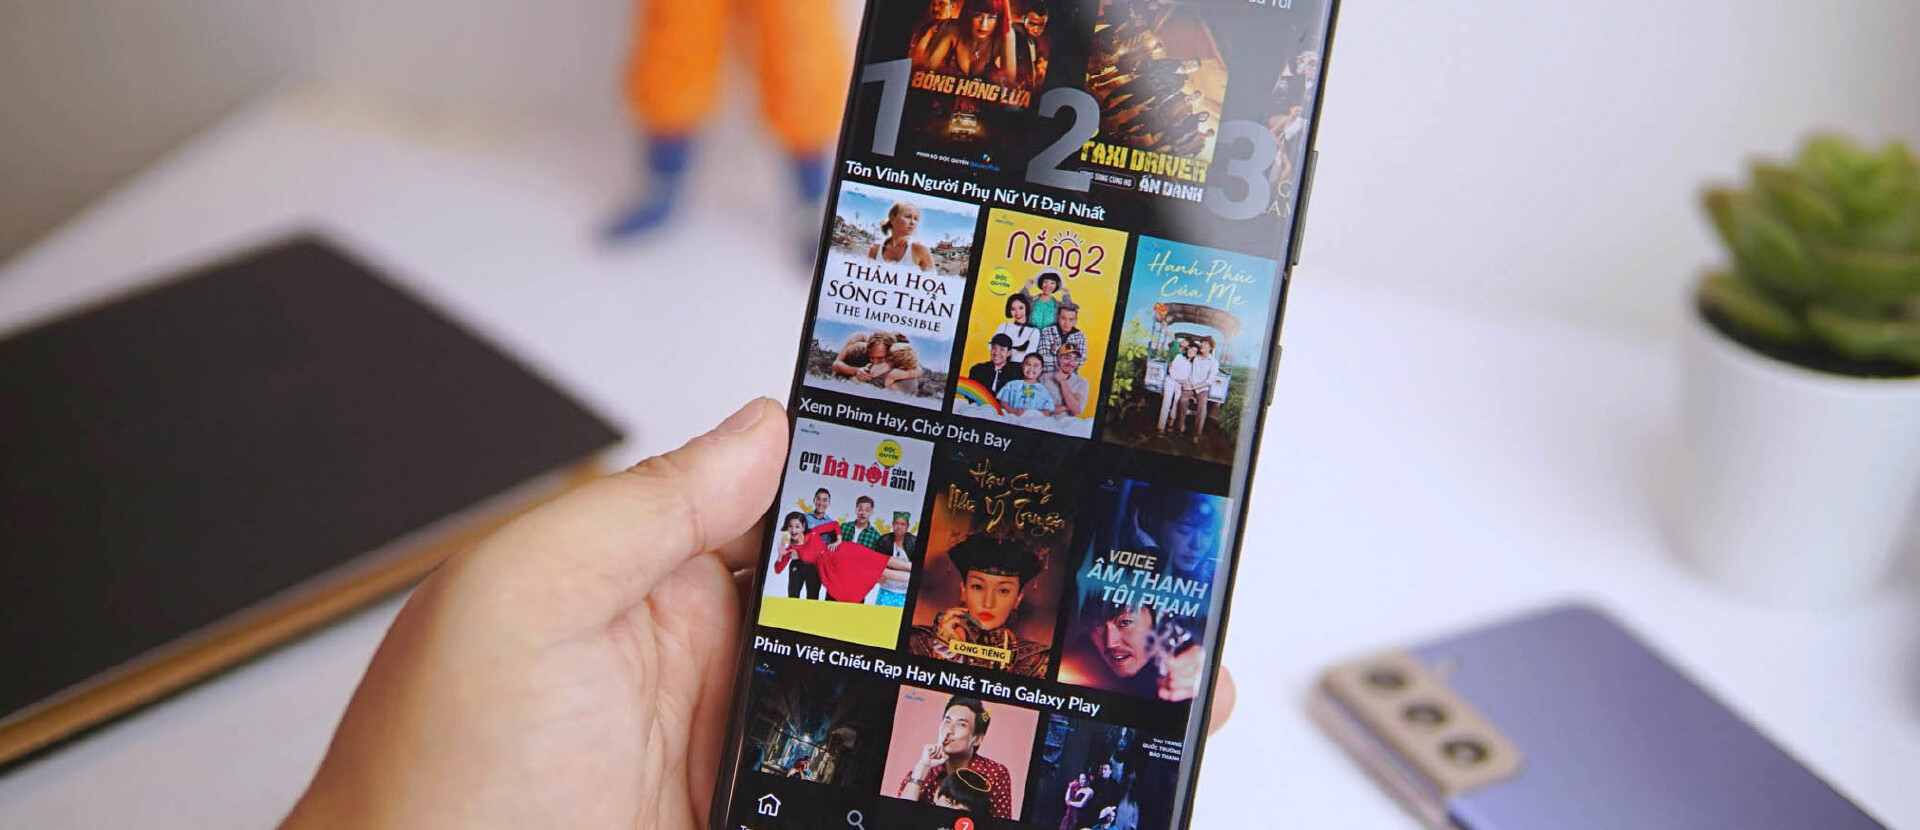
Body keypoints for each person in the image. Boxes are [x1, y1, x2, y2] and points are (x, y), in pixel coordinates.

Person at [274, 399, 1233, 830]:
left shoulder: (1015, 710)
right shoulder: (922, 666)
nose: (984, 599)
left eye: (1000, 589)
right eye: (975, 584)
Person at [906, 532, 1051, 676]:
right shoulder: (917, 642)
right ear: (963, 591)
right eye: (978, 587)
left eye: (1003, 591)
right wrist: (944, 651)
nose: (988, 603)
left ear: (1018, 598)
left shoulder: (1037, 660)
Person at [897, 696, 1015, 819]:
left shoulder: (995, 773)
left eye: (961, 725)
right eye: (947, 721)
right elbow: (899, 818)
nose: (949, 731)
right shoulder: (925, 768)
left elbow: (1001, 824)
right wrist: (922, 768)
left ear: (978, 739)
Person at [918, 0, 1016, 81]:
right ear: (968, 13)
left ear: (999, 19)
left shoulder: (1005, 34)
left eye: (991, 17)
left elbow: (1009, 83)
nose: (984, 25)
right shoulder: (951, 29)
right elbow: (925, 72)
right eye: (977, 15)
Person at [832, 331, 925, 393]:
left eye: (881, 358)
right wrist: (856, 371)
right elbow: (836, 365)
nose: (876, 362)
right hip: (858, 362)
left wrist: (898, 374)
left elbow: (918, 370)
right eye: (872, 358)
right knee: (858, 336)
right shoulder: (862, 347)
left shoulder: (895, 354)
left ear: (890, 354)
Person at [868, 202, 937, 271]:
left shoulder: (920, 250)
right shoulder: (875, 249)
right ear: (892, 218)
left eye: (915, 219)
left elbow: (931, 276)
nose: (912, 222)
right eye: (908, 217)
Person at [877, 512, 917, 607]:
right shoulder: (884, 540)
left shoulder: (915, 542)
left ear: (908, 526)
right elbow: (877, 563)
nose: (899, 527)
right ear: (892, 524)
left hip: (906, 591)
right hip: (886, 589)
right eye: (896, 523)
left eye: (903, 524)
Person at [1184, 339, 1220, 444]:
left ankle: (1196, 434)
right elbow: (1189, 371)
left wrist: (1195, 386)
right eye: (1202, 344)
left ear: (1210, 348)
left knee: (1202, 407)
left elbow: (1209, 381)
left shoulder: (1214, 362)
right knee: (1182, 400)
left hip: (1202, 388)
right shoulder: (1196, 358)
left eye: (1205, 345)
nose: (1202, 346)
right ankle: (1180, 426)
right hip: (1191, 385)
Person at [1036, 302, 1086, 374]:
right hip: (1048, 375)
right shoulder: (1047, 331)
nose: (1067, 323)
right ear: (1058, 317)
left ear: (1075, 321)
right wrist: (1069, 358)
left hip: (1070, 376)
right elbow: (1043, 359)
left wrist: (1055, 350)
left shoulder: (1080, 336)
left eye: (1071, 319)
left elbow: (1080, 361)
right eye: (1063, 318)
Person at [1157, 341, 1193, 435]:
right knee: (1167, 400)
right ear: (1187, 349)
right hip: (1171, 380)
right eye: (1190, 350)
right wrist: (1179, 379)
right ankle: (1161, 426)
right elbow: (1171, 370)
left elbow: (1188, 378)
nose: (1191, 352)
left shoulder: (1191, 365)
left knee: (1177, 400)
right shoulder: (1179, 357)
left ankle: (1171, 421)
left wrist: (1184, 382)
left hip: (1180, 384)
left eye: (1193, 351)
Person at [1042, 345, 1089, 419]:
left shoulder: (1082, 382)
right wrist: (1068, 405)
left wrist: (1062, 382)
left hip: (1067, 424)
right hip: (1043, 422)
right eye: (1067, 358)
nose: (1071, 363)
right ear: (1059, 358)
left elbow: (1076, 411)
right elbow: (1038, 409)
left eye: (1075, 359)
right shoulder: (1044, 378)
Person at [994, 293, 1040, 362]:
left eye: (1021, 308)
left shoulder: (1034, 331)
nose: (1017, 313)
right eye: (1013, 309)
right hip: (1001, 365)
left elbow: (1030, 355)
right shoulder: (1004, 326)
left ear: (1026, 308)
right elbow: (992, 346)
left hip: (1020, 367)